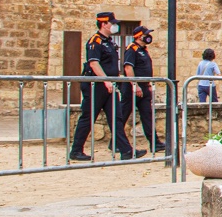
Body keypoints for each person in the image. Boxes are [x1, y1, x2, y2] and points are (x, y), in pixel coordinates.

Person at [69, 11, 136, 161]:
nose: (115, 26)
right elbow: (94, 63)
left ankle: (126, 151)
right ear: (104, 24)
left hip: (109, 85)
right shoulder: (95, 41)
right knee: (88, 117)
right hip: (96, 85)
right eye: (112, 23)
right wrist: (105, 80)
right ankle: (76, 150)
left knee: (116, 117)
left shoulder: (109, 42)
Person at [120, 25, 164, 155]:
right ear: (139, 36)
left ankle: (155, 143)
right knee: (122, 116)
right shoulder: (132, 49)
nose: (149, 36)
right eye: (146, 34)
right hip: (132, 89)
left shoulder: (143, 50)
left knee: (147, 116)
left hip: (143, 88)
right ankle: (116, 142)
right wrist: (135, 85)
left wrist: (147, 85)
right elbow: (128, 68)